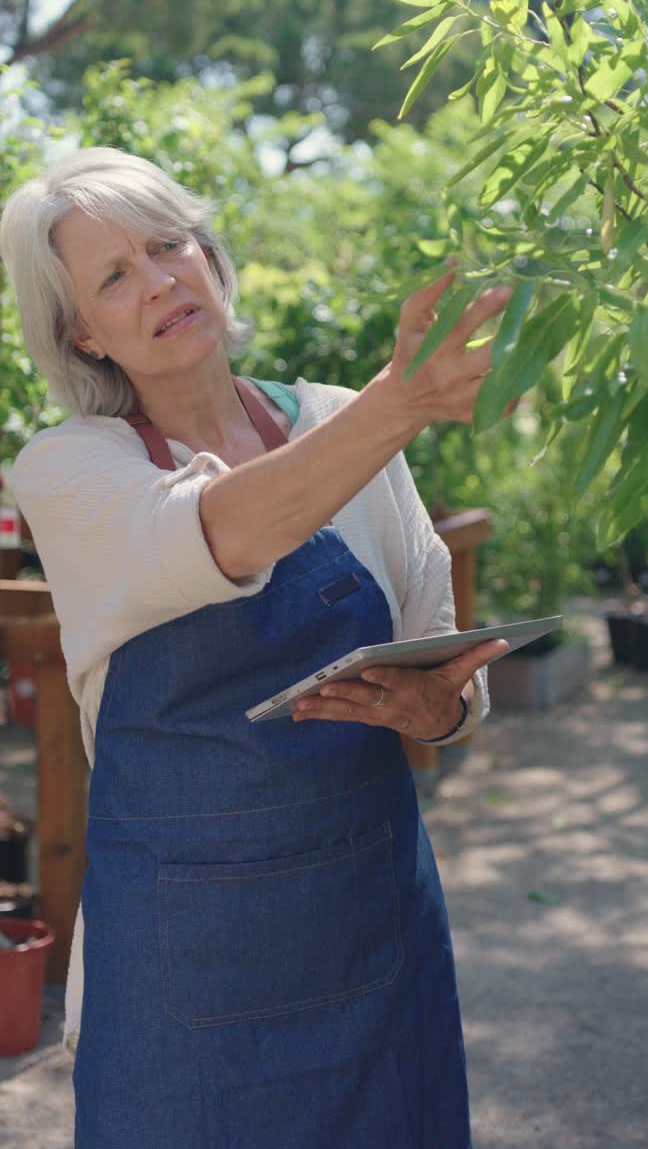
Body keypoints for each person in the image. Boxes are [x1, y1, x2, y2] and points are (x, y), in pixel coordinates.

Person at [0, 146, 514, 1149]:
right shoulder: (69, 469)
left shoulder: (336, 420)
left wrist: (440, 709)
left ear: (207, 252)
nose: (158, 281)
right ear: (80, 333)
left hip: (377, 939)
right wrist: (396, 405)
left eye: (166, 245)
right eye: (115, 276)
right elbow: (217, 532)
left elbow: (440, 653)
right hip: (184, 984)